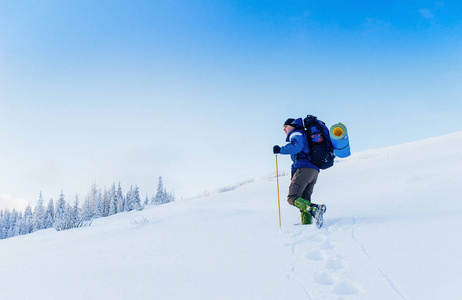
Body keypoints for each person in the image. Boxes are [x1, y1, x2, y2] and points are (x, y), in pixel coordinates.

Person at [273, 118, 326, 225]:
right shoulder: (305, 135)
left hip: (304, 169)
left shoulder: (296, 133)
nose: (284, 130)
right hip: (313, 171)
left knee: (292, 197)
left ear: (292, 125)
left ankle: (315, 209)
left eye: (286, 127)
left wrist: (280, 150)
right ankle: (306, 224)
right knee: (304, 198)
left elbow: (297, 147)